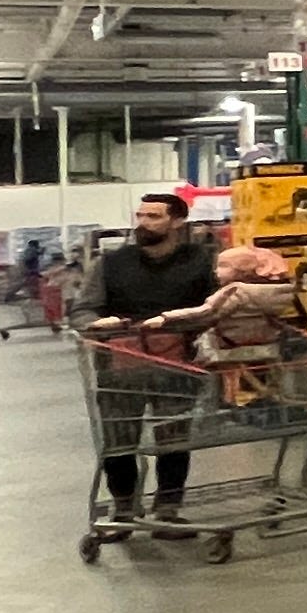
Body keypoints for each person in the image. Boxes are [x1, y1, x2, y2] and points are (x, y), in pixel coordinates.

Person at [80, 192, 219, 526]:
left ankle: (168, 508)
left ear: (177, 222)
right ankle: (124, 506)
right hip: (120, 365)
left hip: (177, 364)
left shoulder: (200, 261)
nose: (143, 223)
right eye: (140, 215)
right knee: (118, 441)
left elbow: (214, 308)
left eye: (154, 216)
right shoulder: (111, 264)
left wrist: (188, 325)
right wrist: (94, 324)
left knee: (173, 439)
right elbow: (83, 308)